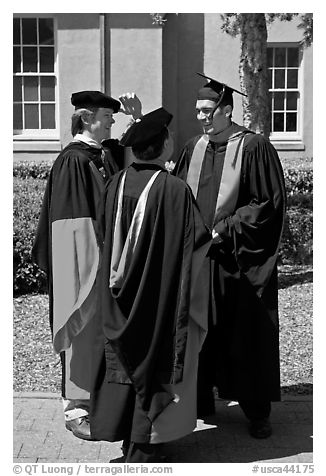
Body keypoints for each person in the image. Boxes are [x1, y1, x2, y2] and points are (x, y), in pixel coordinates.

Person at [89, 107, 210, 462]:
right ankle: (143, 448)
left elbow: (101, 234)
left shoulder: (115, 184)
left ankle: (127, 439)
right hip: (157, 297)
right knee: (152, 359)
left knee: (122, 357)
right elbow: (196, 243)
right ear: (165, 144)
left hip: (116, 296)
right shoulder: (174, 190)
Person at [173, 73, 286, 439]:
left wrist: (226, 228)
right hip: (199, 260)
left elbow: (266, 204)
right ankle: (202, 401)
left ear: (225, 110)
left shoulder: (254, 147)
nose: (201, 117)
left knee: (245, 331)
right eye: (198, 112)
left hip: (236, 262)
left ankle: (256, 411)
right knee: (200, 333)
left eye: (207, 111)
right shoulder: (194, 147)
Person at [32, 90, 143, 440]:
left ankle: (97, 399)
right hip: (85, 263)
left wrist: (137, 119)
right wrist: (90, 265)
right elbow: (70, 223)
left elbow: (140, 158)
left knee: (101, 333)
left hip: (106, 258)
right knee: (81, 329)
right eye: (107, 117)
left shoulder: (103, 153)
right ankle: (75, 407)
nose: (112, 121)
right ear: (86, 118)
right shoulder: (73, 161)